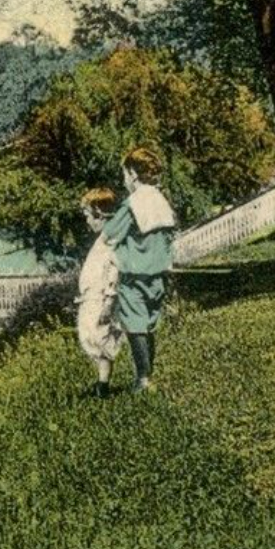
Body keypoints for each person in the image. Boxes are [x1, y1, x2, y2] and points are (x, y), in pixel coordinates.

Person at [101, 146, 178, 391]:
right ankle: (147, 376)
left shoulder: (132, 204)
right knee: (149, 325)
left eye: (125, 174)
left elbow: (110, 234)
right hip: (159, 275)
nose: (124, 180)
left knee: (135, 327)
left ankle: (143, 379)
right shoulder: (161, 201)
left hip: (134, 275)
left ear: (133, 174)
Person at [75, 187, 122, 396]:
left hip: (101, 297)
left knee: (99, 337)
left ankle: (103, 386)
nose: (86, 221)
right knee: (90, 338)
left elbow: (115, 271)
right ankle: (102, 383)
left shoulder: (111, 240)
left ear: (99, 215)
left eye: (88, 216)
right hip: (92, 297)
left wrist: (109, 301)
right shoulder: (103, 238)